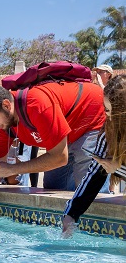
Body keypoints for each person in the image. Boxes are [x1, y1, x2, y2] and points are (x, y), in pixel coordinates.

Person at [0, 82, 106, 222]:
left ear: (6, 105)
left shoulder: (37, 104)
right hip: (63, 134)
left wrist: (12, 169)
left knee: (89, 188)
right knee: (54, 187)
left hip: (91, 117)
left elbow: (60, 157)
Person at [62, 75, 126, 236]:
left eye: (111, 111)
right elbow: (93, 175)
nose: (107, 117)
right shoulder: (109, 132)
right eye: (105, 110)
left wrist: (119, 169)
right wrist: (71, 214)